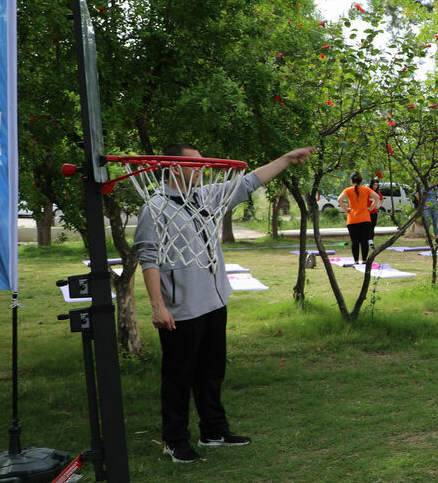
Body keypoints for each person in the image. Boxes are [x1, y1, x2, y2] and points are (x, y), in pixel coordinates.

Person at [137, 143, 314, 462]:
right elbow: (148, 258)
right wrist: (157, 305)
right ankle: (175, 440)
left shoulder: (206, 197)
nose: (203, 169)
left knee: (211, 372)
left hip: (214, 301)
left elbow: (249, 182)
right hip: (181, 309)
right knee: (178, 377)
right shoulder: (155, 208)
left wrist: (286, 158)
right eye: (196, 164)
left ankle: (214, 431)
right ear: (175, 167)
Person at [338, 172, 379, 265]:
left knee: (354, 241)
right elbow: (377, 197)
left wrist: (346, 209)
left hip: (352, 219)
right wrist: (371, 208)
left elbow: (339, 199)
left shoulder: (348, 190)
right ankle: (364, 260)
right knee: (364, 240)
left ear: (351, 181)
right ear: (361, 181)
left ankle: (356, 261)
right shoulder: (366, 189)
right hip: (365, 218)